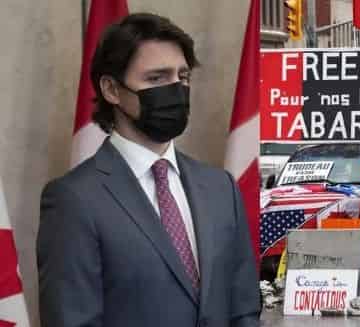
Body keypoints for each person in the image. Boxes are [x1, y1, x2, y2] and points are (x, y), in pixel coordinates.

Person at [37, 13, 259, 327]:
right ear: (112, 90)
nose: (175, 89)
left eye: (182, 77)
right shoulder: (73, 199)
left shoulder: (220, 188)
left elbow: (243, 310)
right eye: (156, 79)